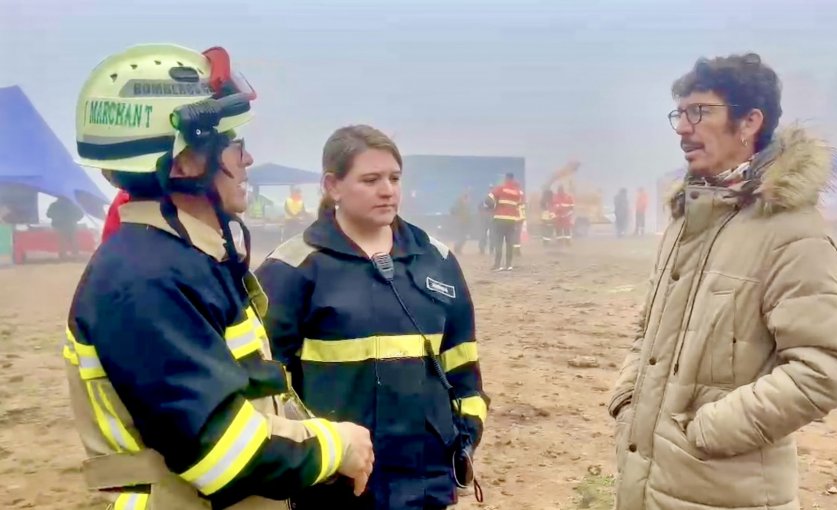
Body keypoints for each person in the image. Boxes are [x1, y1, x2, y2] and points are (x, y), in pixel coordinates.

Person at [62, 43, 374, 510]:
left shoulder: (183, 255)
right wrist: (336, 447)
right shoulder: (145, 279)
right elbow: (222, 454)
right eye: (233, 145)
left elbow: (244, 392)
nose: (246, 161)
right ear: (184, 162)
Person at [608, 52, 837, 510]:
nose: (683, 128)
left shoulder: (791, 232)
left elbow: (826, 369)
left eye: (700, 112)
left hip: (727, 493)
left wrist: (707, 430)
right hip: (649, 482)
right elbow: (648, 333)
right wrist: (628, 398)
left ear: (749, 122)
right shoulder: (687, 219)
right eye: (679, 114)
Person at [255, 125, 489, 510]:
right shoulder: (292, 270)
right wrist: (316, 457)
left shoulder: (438, 261)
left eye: (394, 178)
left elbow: (463, 368)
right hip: (334, 487)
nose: (388, 190)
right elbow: (266, 387)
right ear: (333, 186)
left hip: (424, 486)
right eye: (371, 179)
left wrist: (463, 438)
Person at [486, 173, 524, 271]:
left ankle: (497, 265)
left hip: (499, 218)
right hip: (512, 220)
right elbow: (520, 205)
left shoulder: (501, 188)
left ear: (506, 179)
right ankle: (508, 265)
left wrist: (492, 207)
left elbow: (488, 199)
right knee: (510, 242)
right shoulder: (518, 192)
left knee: (498, 242)